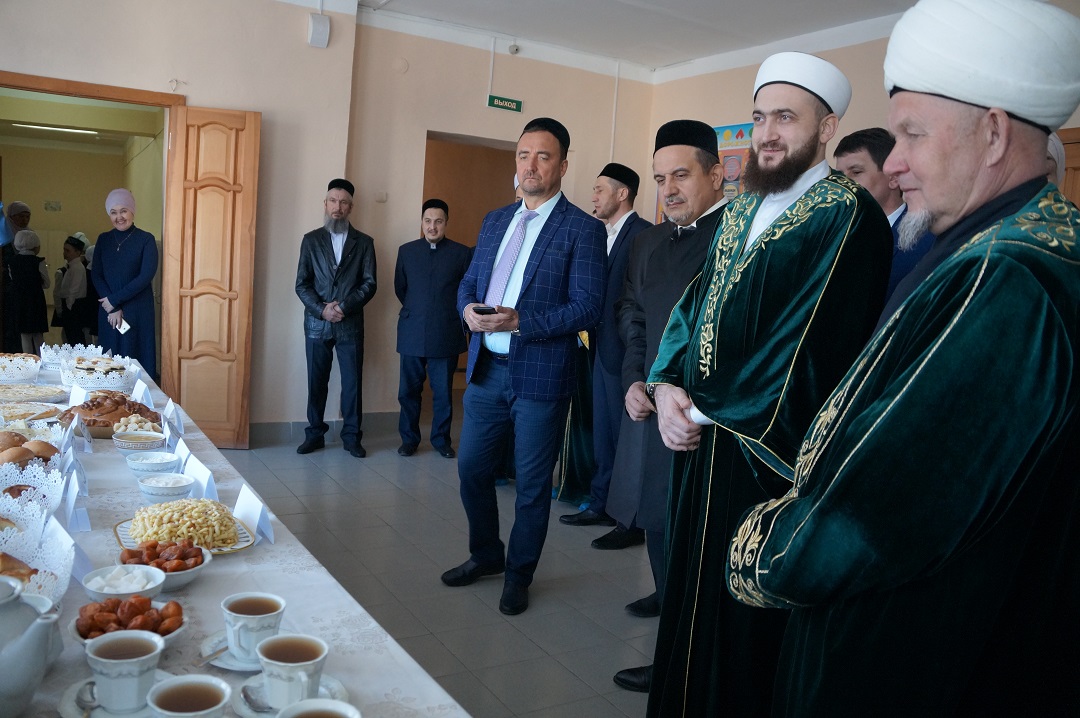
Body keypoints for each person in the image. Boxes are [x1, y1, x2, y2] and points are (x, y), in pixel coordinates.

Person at [726, 1, 1080, 714]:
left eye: (912, 134)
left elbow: (877, 515)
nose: (893, 165)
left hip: (914, 656)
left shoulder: (1003, 277)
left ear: (993, 133)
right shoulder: (1027, 241)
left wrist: (758, 552)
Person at [644, 52, 894, 714]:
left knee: (745, 626)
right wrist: (665, 385)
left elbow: (810, 343)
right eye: (759, 118)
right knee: (689, 597)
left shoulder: (847, 214)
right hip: (700, 444)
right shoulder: (739, 209)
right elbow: (694, 306)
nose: (767, 134)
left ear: (827, 127)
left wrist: (701, 408)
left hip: (767, 458)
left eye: (785, 117)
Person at [442, 117, 606, 616]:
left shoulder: (582, 228)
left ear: (563, 165)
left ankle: (519, 574)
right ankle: (486, 554)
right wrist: (466, 310)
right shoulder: (496, 220)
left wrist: (521, 322)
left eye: (543, 156)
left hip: (540, 376)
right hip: (485, 372)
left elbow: (588, 307)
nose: (530, 165)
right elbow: (468, 283)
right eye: (523, 155)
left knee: (532, 488)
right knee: (471, 469)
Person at [603, 121, 729, 692]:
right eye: (659, 179)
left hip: (704, 420)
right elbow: (633, 314)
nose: (669, 190)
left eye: (681, 175)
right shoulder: (650, 241)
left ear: (717, 174)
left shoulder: (741, 238)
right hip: (652, 407)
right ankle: (668, 600)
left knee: (693, 536)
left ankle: (684, 661)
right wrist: (635, 379)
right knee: (656, 518)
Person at [559, 163, 651, 525]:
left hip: (625, 353)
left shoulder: (643, 235)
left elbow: (639, 300)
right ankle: (601, 502)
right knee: (602, 432)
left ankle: (621, 513)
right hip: (598, 348)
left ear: (622, 193)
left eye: (600, 189)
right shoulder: (600, 234)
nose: (593, 196)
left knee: (620, 435)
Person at [295, 178, 377, 459]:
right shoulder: (311, 240)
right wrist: (322, 309)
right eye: (333, 201)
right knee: (316, 382)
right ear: (325, 204)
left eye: (343, 202)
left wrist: (343, 307)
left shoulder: (364, 243)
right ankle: (314, 434)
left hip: (350, 324)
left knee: (352, 384)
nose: (337, 207)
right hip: (317, 324)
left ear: (350, 207)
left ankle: (352, 437)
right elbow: (301, 284)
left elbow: (370, 283)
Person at [394, 198, 472, 458]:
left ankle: (441, 440)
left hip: (445, 331)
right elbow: (401, 288)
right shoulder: (407, 251)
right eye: (427, 221)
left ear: (446, 223)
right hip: (412, 331)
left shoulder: (461, 254)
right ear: (421, 222)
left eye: (438, 221)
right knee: (408, 392)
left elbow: (466, 291)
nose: (432, 226)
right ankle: (409, 440)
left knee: (443, 393)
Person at [834, 127, 933, 298]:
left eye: (856, 172)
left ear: (893, 178)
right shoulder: (833, 237)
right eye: (839, 176)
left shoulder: (927, 241)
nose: (843, 184)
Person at [92, 189, 159, 379]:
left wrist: (114, 300)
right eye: (113, 212)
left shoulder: (146, 239)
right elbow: (96, 274)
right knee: (109, 362)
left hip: (137, 309)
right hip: (109, 310)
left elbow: (145, 276)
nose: (119, 217)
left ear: (132, 211)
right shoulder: (103, 239)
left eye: (123, 211)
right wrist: (112, 307)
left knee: (136, 357)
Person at [8, 229, 49, 354]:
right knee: (38, 334)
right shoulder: (39, 262)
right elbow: (47, 283)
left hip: (19, 300)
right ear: (35, 245)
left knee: (24, 335)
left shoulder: (12, 262)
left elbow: (13, 280)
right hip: (36, 300)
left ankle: (28, 360)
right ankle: (41, 358)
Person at [1, 201, 32, 352]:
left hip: (24, 288)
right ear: (12, 217)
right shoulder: (4, 235)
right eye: (21, 216)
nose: (25, 220)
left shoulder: (29, 235)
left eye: (27, 216)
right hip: (7, 286)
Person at [52, 234, 89, 345]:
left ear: (78, 252)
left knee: (75, 337)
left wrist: (68, 307)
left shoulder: (77, 268)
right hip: (70, 305)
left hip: (74, 306)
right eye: (64, 250)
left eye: (68, 251)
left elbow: (74, 289)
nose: (64, 253)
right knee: (70, 336)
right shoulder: (71, 266)